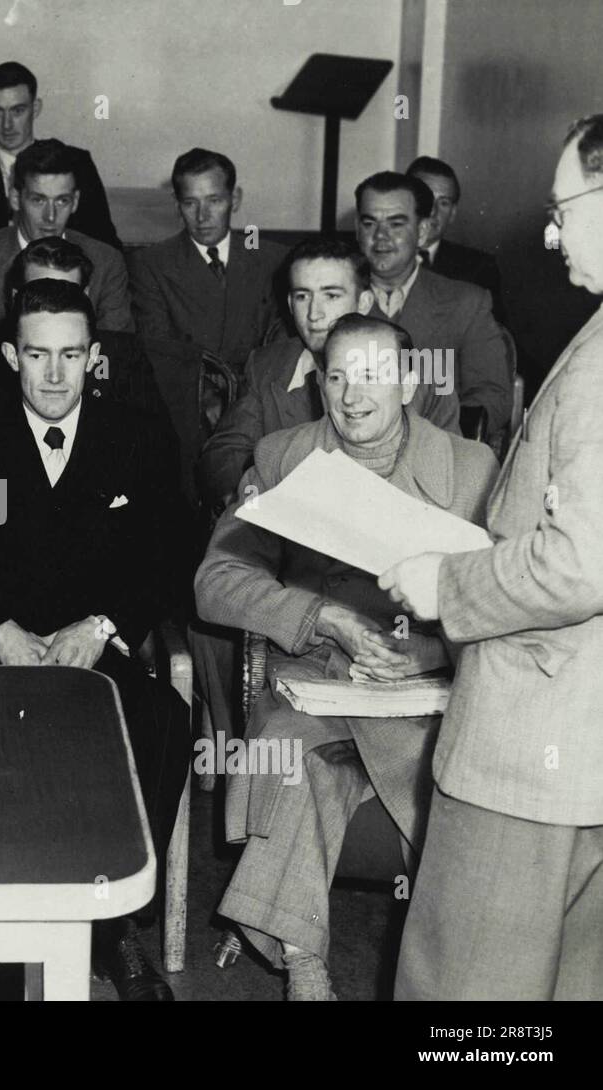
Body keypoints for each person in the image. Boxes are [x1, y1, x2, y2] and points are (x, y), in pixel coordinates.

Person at [195, 313, 498, 1000]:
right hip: (317, 685)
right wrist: (321, 616)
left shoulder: (471, 469)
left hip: (430, 696)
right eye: (336, 376)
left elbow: (501, 591)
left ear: (410, 383)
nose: (352, 396)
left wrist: (425, 651)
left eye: (372, 376)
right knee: (299, 765)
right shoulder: (282, 458)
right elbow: (215, 583)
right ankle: (305, 967)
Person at [0, 280, 189, 1001]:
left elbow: (169, 557)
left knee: (162, 720)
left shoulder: (139, 438)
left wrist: (100, 628)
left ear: (94, 356)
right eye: (38, 355)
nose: (55, 374)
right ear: (10, 357)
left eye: (71, 355)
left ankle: (116, 929)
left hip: (93, 655)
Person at [386, 115, 603, 1001]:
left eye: (565, 209)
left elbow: (581, 562)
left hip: (531, 746)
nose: (550, 233)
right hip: (583, 751)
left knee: (468, 1003)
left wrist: (446, 581)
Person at [199, 237, 460, 511]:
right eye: (302, 296)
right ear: (289, 304)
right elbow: (225, 451)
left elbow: (451, 466)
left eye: (331, 295)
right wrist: (249, 500)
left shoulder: (428, 366)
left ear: (364, 301)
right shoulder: (269, 365)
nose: (314, 314)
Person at [128, 148, 288, 504]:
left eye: (214, 200)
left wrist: (245, 404)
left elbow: (281, 345)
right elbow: (159, 351)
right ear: (176, 204)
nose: (202, 216)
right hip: (190, 412)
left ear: (236, 198)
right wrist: (209, 401)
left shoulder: (273, 259)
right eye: (190, 203)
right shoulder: (152, 264)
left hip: (260, 409)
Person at [355, 171, 512, 448]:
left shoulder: (466, 303)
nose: (380, 236)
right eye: (370, 223)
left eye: (396, 224)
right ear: (357, 228)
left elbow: (490, 396)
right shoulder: (332, 298)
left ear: (423, 231)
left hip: (435, 454)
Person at [0, 138, 132, 360]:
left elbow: (114, 356)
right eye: (38, 200)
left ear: (75, 201)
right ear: (16, 199)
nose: (50, 216)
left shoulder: (106, 262)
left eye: (62, 201)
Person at [0, 235, 163, 422]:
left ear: (87, 296)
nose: (55, 309)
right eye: (40, 294)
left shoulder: (123, 358)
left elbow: (152, 437)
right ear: (15, 298)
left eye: (68, 295)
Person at [0, 61, 120, 253]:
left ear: (36, 108)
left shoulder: (77, 164)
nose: (7, 125)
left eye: (17, 111)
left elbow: (104, 242)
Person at [405, 155, 504, 319]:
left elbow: (498, 337)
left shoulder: (479, 269)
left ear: (452, 213)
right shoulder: (365, 257)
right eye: (424, 198)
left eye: (443, 203)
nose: (432, 211)